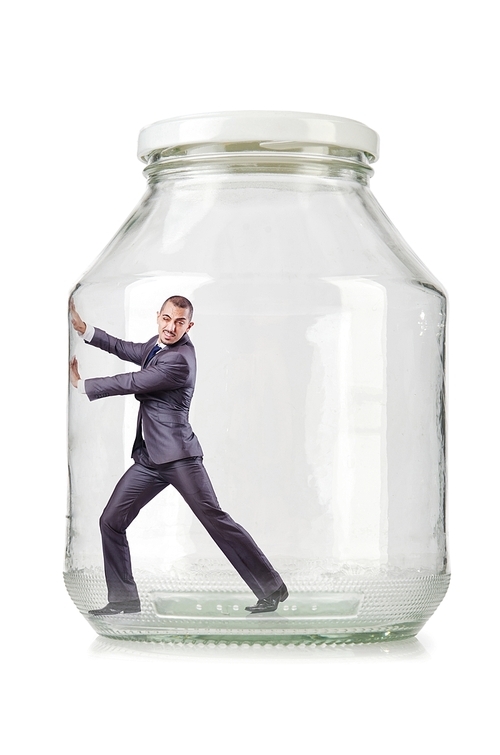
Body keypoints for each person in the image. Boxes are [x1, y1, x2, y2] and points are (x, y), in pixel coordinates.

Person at [69, 295, 288, 616]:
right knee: (111, 522)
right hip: (149, 460)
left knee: (215, 520)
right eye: (167, 319)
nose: (171, 327)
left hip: (179, 458)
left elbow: (132, 381)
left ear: (189, 325)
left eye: (179, 322)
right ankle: (123, 599)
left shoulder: (180, 360)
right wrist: (84, 330)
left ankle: (272, 587)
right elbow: (124, 348)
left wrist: (81, 385)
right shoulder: (155, 346)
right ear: (158, 316)